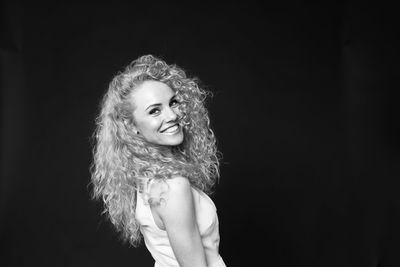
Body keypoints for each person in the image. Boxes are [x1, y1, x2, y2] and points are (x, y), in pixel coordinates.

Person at [90, 54, 226, 267]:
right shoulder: (172, 186)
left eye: (173, 103)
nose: (172, 115)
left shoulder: (146, 178)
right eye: (155, 111)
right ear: (131, 126)